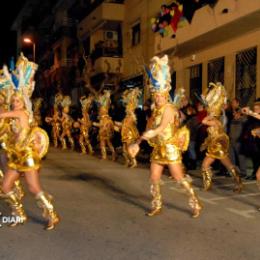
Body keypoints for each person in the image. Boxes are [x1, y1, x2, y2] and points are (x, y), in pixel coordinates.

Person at [129, 55, 202, 218]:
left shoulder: (169, 109)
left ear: (166, 94)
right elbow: (149, 128)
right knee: (154, 177)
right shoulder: (155, 110)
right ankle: (157, 205)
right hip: (158, 148)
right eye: (155, 95)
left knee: (178, 177)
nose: (158, 97)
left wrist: (144, 138)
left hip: (170, 148)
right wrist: (138, 142)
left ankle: (195, 201)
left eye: (160, 95)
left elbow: (160, 128)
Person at [0, 54, 60, 230]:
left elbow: (2, 114)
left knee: (34, 188)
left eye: (18, 100)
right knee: (5, 186)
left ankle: (52, 214)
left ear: (24, 102)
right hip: (16, 156)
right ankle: (19, 214)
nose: (16, 103)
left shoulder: (22, 114)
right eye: (14, 101)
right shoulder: (13, 117)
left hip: (27, 156)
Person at [200, 83, 243, 192]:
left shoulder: (215, 121)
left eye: (210, 110)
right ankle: (238, 182)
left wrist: (209, 114)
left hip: (218, 146)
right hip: (215, 145)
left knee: (207, 164)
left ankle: (237, 182)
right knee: (227, 165)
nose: (208, 110)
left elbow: (204, 121)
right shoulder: (215, 120)